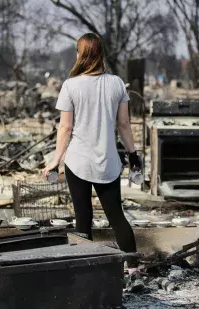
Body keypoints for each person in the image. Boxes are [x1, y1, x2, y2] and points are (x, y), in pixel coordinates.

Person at [42, 33, 141, 271]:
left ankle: (84, 271)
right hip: (109, 162)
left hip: (78, 163)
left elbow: (65, 127)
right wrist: (133, 154)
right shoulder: (116, 83)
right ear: (100, 54)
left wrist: (55, 160)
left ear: (82, 54)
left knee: (83, 218)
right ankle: (134, 269)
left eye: (78, 51)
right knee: (116, 217)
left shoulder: (70, 85)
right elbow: (125, 125)